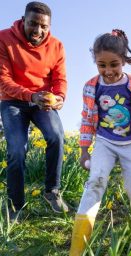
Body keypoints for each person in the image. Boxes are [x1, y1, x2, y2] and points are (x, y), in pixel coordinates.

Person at [69, 29, 131, 255]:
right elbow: (88, 118)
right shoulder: (91, 86)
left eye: (114, 64)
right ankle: (76, 249)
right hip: (104, 142)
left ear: (124, 61)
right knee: (95, 184)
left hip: (130, 143)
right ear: (95, 62)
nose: (108, 71)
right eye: (102, 65)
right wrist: (84, 150)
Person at [0, 1, 69, 222]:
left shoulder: (57, 46)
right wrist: (30, 95)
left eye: (43, 26)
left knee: (56, 136)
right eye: (33, 24)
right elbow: (3, 81)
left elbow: (59, 79)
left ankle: (52, 191)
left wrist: (59, 98)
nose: (38, 31)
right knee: (17, 150)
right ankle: (16, 205)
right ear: (23, 20)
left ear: (49, 26)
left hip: (42, 102)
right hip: (13, 101)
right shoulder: (4, 39)